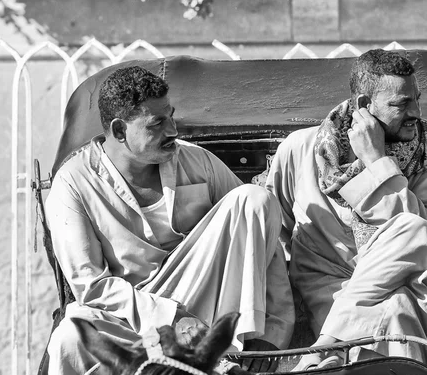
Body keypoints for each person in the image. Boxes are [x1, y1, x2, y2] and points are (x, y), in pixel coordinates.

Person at [45, 66, 294, 374]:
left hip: (210, 310)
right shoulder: (73, 183)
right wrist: (172, 317)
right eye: (157, 123)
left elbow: (262, 241)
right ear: (120, 130)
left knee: (254, 199)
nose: (173, 129)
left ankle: (232, 348)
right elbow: (92, 287)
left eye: (171, 116)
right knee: (69, 340)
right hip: (130, 317)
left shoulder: (196, 160)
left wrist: (273, 333)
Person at [265, 49, 427, 375]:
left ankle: (324, 349)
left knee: (413, 234)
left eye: (416, 99)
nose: (415, 112)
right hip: (326, 288)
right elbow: (277, 232)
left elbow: (426, 239)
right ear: (364, 105)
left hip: (402, 286)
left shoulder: (426, 157)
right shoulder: (301, 149)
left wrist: (377, 162)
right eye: (401, 104)